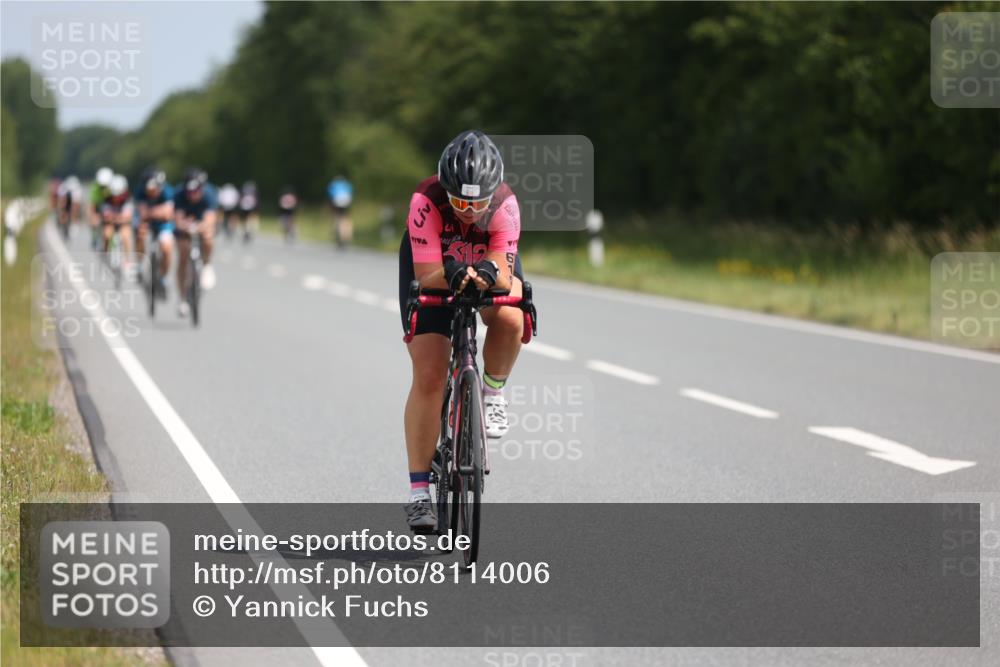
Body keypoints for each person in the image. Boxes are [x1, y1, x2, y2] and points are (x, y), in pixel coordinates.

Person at [398, 130, 524, 531]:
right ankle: (419, 492)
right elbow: (426, 275)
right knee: (431, 374)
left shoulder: (505, 205)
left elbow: (506, 276)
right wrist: (451, 272)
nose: (469, 212)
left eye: (478, 204)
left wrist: (489, 271)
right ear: (445, 191)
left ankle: (493, 391)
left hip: (483, 260)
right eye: (459, 202)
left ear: (493, 194)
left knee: (510, 315)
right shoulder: (426, 201)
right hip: (434, 268)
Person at [173, 168, 218, 317]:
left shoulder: (209, 194)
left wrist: (199, 226)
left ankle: (206, 265)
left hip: (201, 221)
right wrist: (184, 226)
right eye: (189, 192)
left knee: (208, 237)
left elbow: (210, 220)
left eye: (196, 191)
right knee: (183, 255)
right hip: (185, 224)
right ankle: (182, 298)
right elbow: (178, 220)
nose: (193, 195)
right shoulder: (178, 195)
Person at [135, 167, 175, 298]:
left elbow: (168, 213)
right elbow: (140, 212)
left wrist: (151, 212)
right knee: (140, 233)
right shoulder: (140, 191)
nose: (153, 192)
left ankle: (164, 276)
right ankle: (140, 264)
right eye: (150, 190)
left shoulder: (168, 191)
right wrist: (156, 212)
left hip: (164, 224)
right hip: (147, 222)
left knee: (167, 246)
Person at [99, 174, 135, 268]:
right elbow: (106, 215)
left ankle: (127, 260)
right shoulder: (107, 198)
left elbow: (128, 216)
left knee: (126, 236)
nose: (116, 198)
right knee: (106, 234)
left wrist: (117, 217)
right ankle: (105, 254)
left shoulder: (128, 199)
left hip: (123, 223)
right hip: (111, 223)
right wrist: (114, 218)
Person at [88, 167, 113, 250]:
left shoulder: (113, 187)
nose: (104, 187)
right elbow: (92, 204)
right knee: (94, 221)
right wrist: (93, 216)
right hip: (98, 206)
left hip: (109, 208)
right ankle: (94, 236)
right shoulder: (95, 188)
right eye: (102, 186)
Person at [327, 175, 353, 247]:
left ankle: (337, 232)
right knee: (345, 218)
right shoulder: (346, 184)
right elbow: (350, 193)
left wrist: (330, 205)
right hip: (346, 200)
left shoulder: (333, 184)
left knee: (337, 216)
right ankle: (347, 234)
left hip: (337, 200)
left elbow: (330, 195)